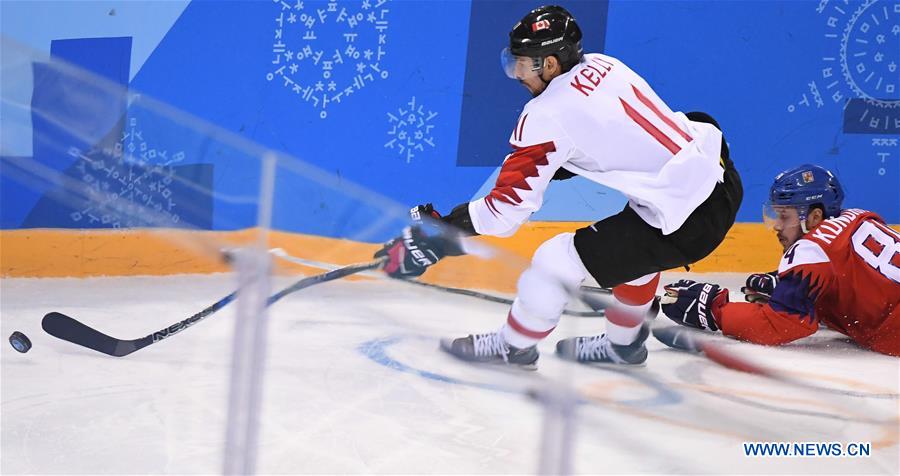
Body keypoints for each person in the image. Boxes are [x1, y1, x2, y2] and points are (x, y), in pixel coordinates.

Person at [375, 5, 742, 368]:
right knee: (636, 250)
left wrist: (437, 238)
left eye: (525, 63)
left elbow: (505, 213)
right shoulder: (602, 64)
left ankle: (513, 346)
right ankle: (624, 346)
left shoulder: (545, 114)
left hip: (688, 219)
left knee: (556, 259)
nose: (517, 73)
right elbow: (595, 143)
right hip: (718, 179)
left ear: (551, 64)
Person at [660, 164, 900, 356]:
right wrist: (796, 289)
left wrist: (715, 309)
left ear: (815, 216)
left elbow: (782, 324)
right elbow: (860, 279)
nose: (776, 225)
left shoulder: (811, 249)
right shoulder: (856, 217)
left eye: (785, 216)